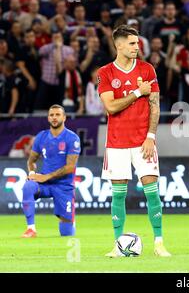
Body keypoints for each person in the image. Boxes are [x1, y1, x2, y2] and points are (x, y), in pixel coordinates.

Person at [97, 25, 170, 257]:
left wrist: (151, 136)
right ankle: (118, 245)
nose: (136, 47)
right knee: (118, 194)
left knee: (152, 191)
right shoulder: (106, 72)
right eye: (131, 43)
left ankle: (159, 243)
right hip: (116, 142)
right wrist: (138, 93)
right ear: (118, 45)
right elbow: (110, 107)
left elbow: (155, 105)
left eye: (137, 43)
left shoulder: (147, 70)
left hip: (142, 141)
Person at [20, 104, 81, 238]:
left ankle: (69, 220)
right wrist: (31, 174)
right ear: (48, 118)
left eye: (57, 115)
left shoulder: (72, 138)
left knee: (66, 233)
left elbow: (71, 167)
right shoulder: (41, 137)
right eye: (51, 115)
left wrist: (46, 176)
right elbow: (31, 161)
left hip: (64, 186)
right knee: (28, 186)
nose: (54, 117)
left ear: (64, 117)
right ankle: (31, 229)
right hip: (45, 184)